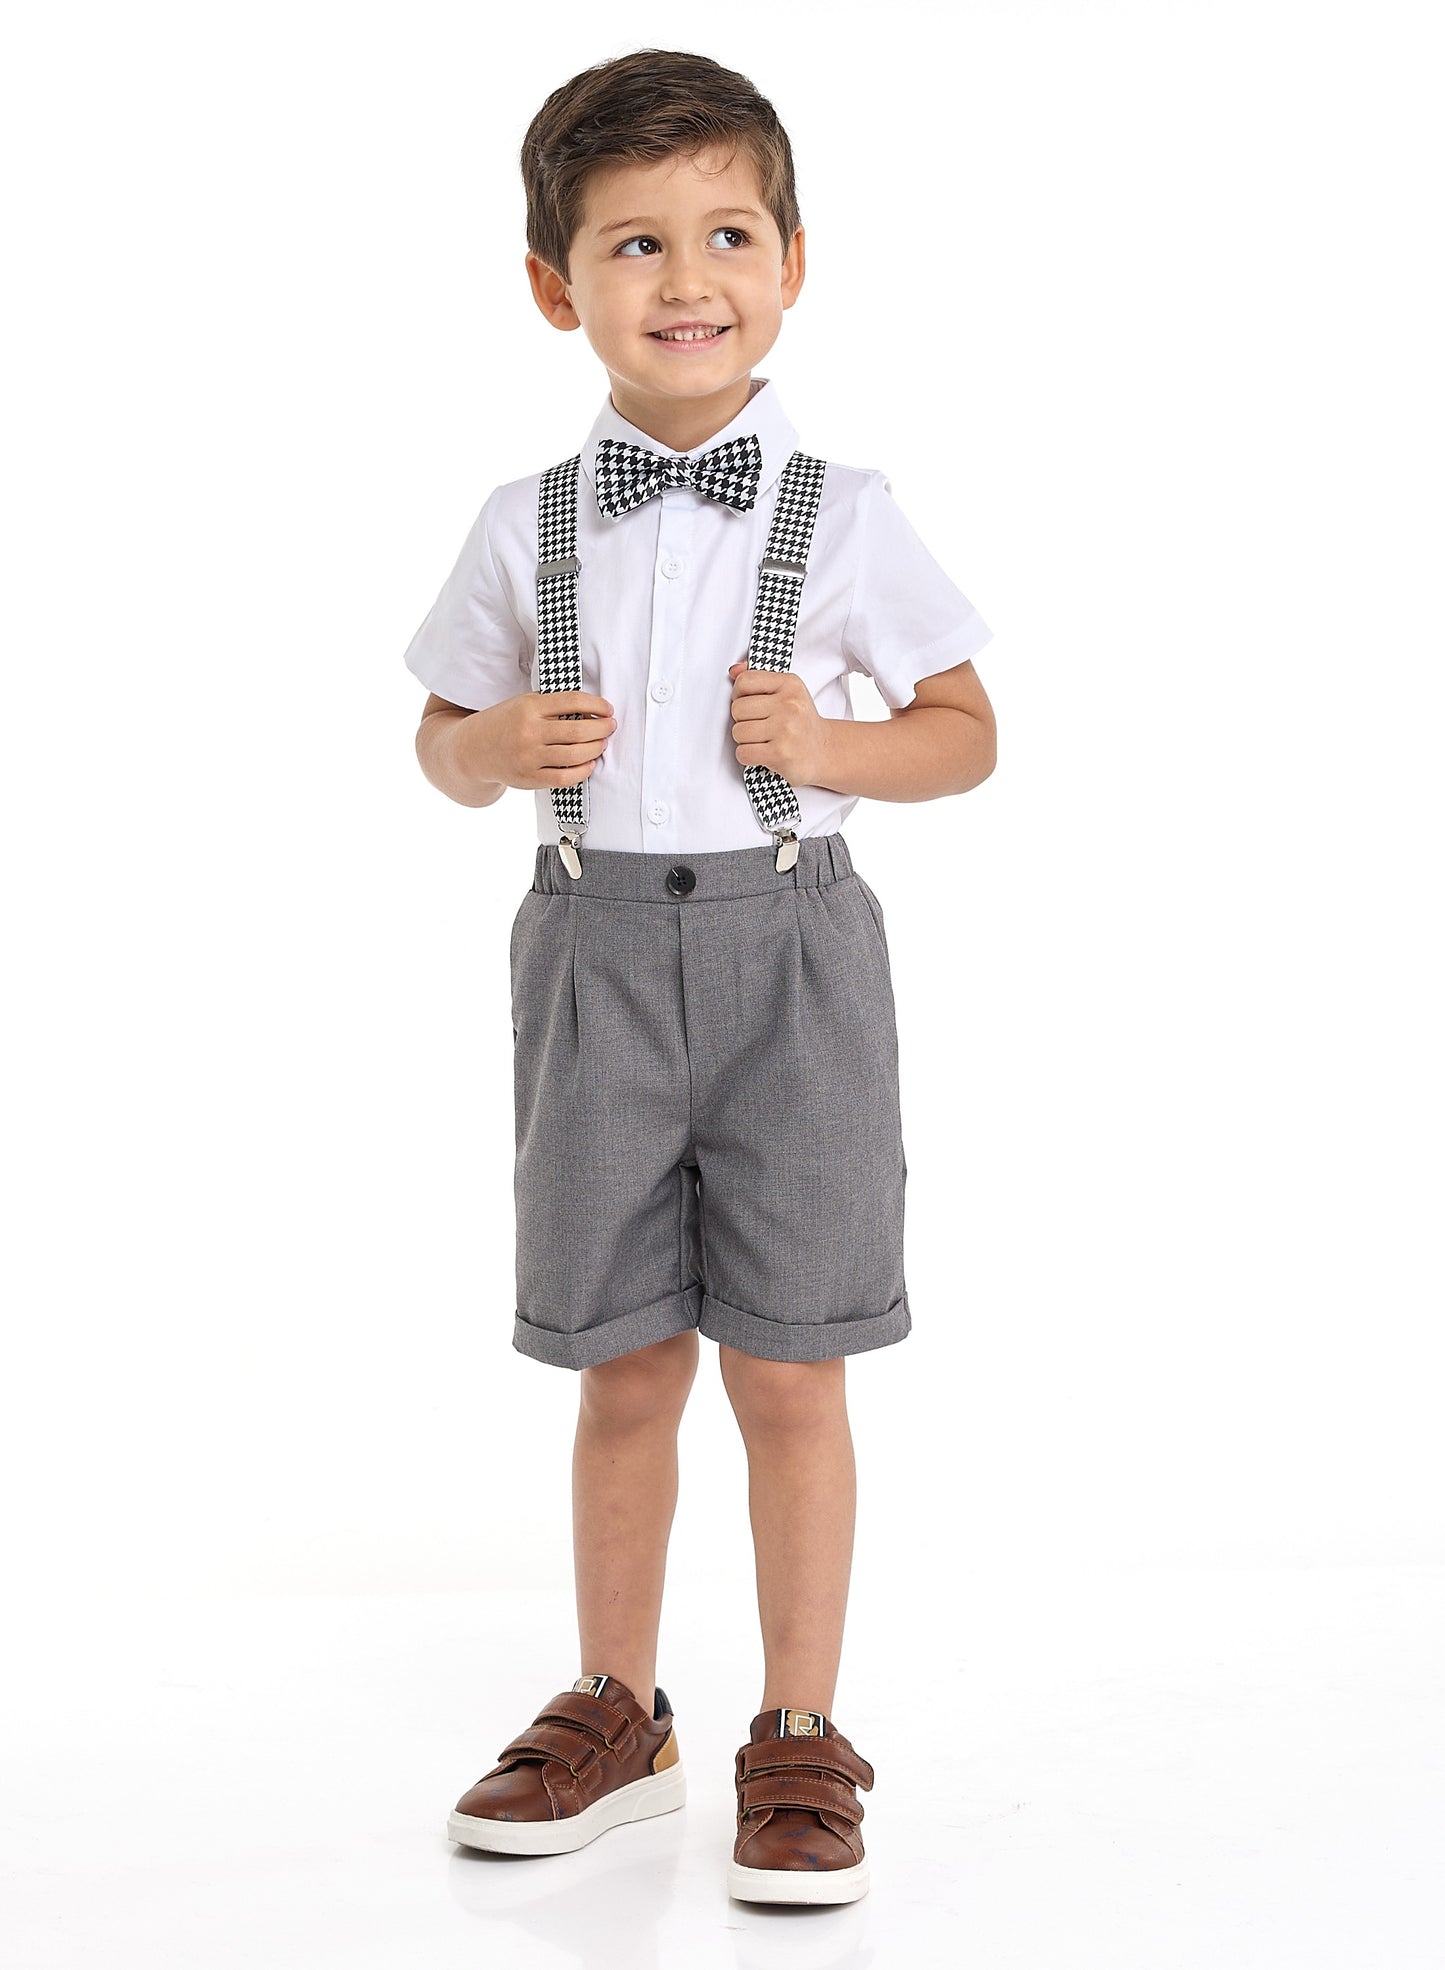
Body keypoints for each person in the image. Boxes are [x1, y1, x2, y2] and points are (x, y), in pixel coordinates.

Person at [402, 47, 996, 1906]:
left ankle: (798, 1728)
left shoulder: (846, 508)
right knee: (622, 1356)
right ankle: (618, 1704)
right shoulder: (525, 521)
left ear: (793, 262)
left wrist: (826, 741)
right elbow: (435, 732)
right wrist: (492, 748)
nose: (684, 280)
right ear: (552, 288)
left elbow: (967, 734)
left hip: (790, 948)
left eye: (725, 234)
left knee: (793, 1362)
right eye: (633, 244)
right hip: (589, 950)